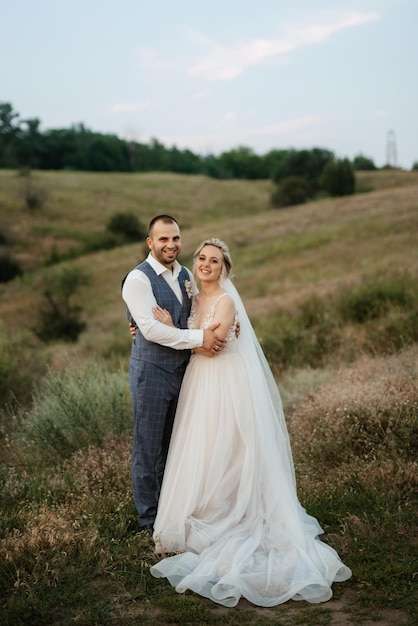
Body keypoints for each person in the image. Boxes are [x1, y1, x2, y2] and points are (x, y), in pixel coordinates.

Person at [149, 237, 352, 607]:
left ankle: (233, 512)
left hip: (224, 381)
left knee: (229, 447)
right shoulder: (193, 297)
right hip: (199, 382)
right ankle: (201, 510)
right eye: (201, 258)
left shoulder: (225, 301)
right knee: (202, 447)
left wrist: (168, 334)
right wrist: (155, 328)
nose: (206, 264)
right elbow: (196, 337)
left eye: (214, 260)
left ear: (224, 268)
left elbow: (214, 345)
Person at [121, 216, 226, 532]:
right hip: (151, 373)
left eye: (176, 238)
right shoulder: (138, 280)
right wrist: (198, 339)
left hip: (184, 373)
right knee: (148, 448)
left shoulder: (184, 275)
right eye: (163, 239)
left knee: (175, 444)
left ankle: (171, 509)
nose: (171, 245)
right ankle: (147, 520)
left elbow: (193, 315)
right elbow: (151, 330)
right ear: (150, 242)